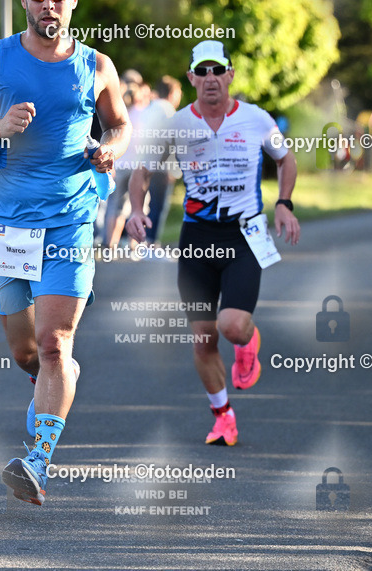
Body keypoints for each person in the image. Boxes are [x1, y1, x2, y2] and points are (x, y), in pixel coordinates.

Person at [0, 0, 131, 504]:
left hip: (70, 221)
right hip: (8, 228)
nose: (50, 3)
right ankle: (50, 381)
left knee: (54, 342)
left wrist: (109, 150)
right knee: (25, 352)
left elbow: (119, 124)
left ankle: (38, 460)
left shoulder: (96, 65)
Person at [126, 40, 300, 447]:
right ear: (190, 78)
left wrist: (284, 204)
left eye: (216, 71)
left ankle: (247, 342)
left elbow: (285, 159)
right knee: (204, 338)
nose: (209, 79)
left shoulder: (256, 119)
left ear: (229, 75)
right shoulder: (177, 124)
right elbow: (142, 170)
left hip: (243, 234)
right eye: (201, 72)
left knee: (232, 326)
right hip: (197, 239)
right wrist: (137, 209)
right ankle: (223, 415)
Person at [104, 75, 150, 249]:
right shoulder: (143, 114)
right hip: (138, 167)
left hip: (120, 164)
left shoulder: (119, 114)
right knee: (138, 206)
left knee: (115, 207)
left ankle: (111, 243)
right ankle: (134, 243)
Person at [144, 76, 182, 245]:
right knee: (158, 207)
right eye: (178, 92)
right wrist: (172, 169)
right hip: (160, 167)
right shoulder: (167, 110)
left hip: (144, 164)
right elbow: (170, 142)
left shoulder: (149, 107)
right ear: (172, 93)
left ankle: (143, 242)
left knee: (147, 205)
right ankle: (151, 244)